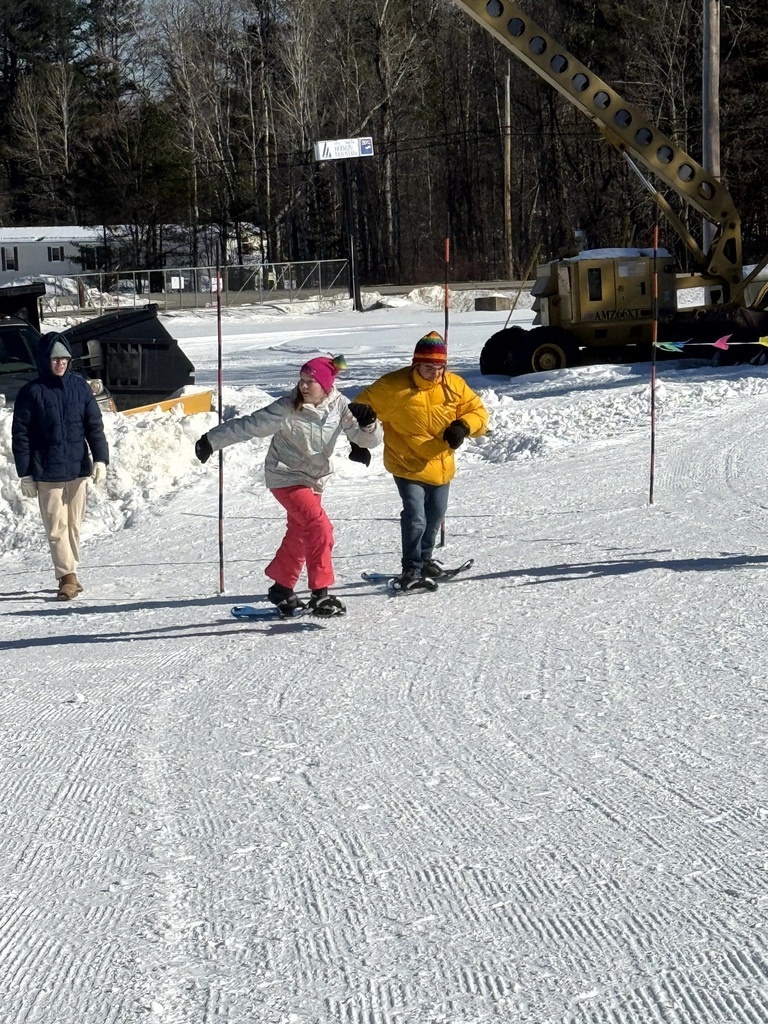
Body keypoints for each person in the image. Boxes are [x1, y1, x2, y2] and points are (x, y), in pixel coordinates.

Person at [194, 354, 382, 617]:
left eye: (310, 382)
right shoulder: (287, 408)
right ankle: (320, 594)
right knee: (319, 528)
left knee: (300, 532)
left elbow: (367, 441)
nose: (303, 386)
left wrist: (369, 423)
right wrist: (211, 440)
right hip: (284, 476)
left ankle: (282, 587)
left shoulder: (340, 406)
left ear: (326, 385)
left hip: (314, 479)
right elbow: (249, 425)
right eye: (302, 380)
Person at [353, 330, 487, 590]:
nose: (435, 373)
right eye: (429, 367)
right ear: (416, 364)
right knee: (416, 516)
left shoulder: (454, 385)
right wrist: (362, 432)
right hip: (406, 463)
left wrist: (463, 426)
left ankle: (425, 559)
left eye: (440, 367)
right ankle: (411, 568)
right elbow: (359, 408)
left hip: (441, 464)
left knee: (435, 515)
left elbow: (478, 412)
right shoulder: (392, 386)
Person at [12, 334, 109, 601]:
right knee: (56, 527)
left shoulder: (80, 389)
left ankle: (71, 574)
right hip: (46, 472)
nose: (60, 364)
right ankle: (67, 577)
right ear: (46, 360)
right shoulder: (31, 393)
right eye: (55, 359)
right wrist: (26, 473)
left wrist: (100, 459)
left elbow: (94, 427)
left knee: (74, 526)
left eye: (64, 359)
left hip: (77, 468)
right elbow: (21, 435)